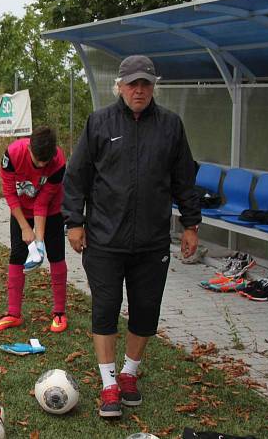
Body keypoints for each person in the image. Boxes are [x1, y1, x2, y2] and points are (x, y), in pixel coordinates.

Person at [62, 55, 200, 418]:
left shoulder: (171, 125)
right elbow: (76, 177)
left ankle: (128, 374)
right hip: (104, 240)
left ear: (154, 86)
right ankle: (108, 384)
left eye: (146, 83)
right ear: (119, 86)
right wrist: (73, 223)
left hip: (152, 242)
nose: (139, 90)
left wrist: (190, 224)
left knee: (145, 311)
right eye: (132, 84)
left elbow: (185, 178)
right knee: (105, 309)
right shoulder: (99, 122)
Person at [0, 126, 68, 333]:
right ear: (29, 147)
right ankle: (13, 314)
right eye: (37, 161)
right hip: (20, 209)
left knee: (56, 255)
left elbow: (43, 201)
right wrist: (25, 227)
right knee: (17, 254)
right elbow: (9, 192)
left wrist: (38, 242)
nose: (41, 165)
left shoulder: (59, 161)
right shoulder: (12, 154)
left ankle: (59, 312)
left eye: (45, 162)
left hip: (51, 210)